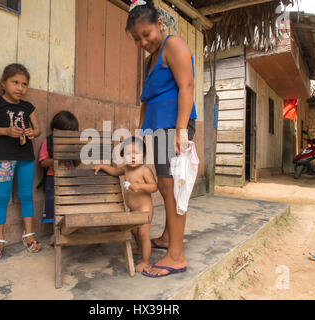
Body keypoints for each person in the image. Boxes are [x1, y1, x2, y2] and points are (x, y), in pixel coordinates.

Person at [126, 0, 197, 277]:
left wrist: (180, 130)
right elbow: (145, 100)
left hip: (173, 128)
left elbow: (187, 85)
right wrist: (141, 132)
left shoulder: (173, 45)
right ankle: (168, 238)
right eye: (137, 38)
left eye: (147, 34)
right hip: (158, 130)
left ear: (159, 24)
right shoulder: (148, 61)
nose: (143, 41)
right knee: (166, 188)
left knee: (174, 187)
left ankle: (176, 256)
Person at [0, 63, 42, 262]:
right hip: (4, 159)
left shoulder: (27, 107)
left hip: (26, 158)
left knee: (25, 195)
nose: (20, 88)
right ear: (3, 83)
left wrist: (33, 132)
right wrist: (6, 131)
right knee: (2, 196)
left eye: (24, 84)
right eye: (15, 82)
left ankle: (29, 234)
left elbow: (38, 129)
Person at [94, 137, 158, 273]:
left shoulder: (144, 170)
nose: (133, 157)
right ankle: (140, 249)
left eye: (137, 153)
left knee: (143, 234)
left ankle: (146, 262)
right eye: (129, 154)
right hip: (133, 208)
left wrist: (140, 186)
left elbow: (154, 187)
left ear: (144, 156)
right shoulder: (125, 168)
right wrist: (103, 166)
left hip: (144, 209)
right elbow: (115, 172)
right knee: (134, 231)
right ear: (123, 156)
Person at [38, 111, 80, 224]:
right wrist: (59, 159)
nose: (66, 134)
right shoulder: (48, 142)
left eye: (70, 132)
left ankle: (72, 226)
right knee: (54, 205)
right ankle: (57, 230)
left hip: (70, 178)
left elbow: (76, 163)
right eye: (63, 131)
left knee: (71, 203)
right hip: (53, 178)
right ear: (55, 129)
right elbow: (43, 162)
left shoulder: (73, 143)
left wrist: (76, 154)